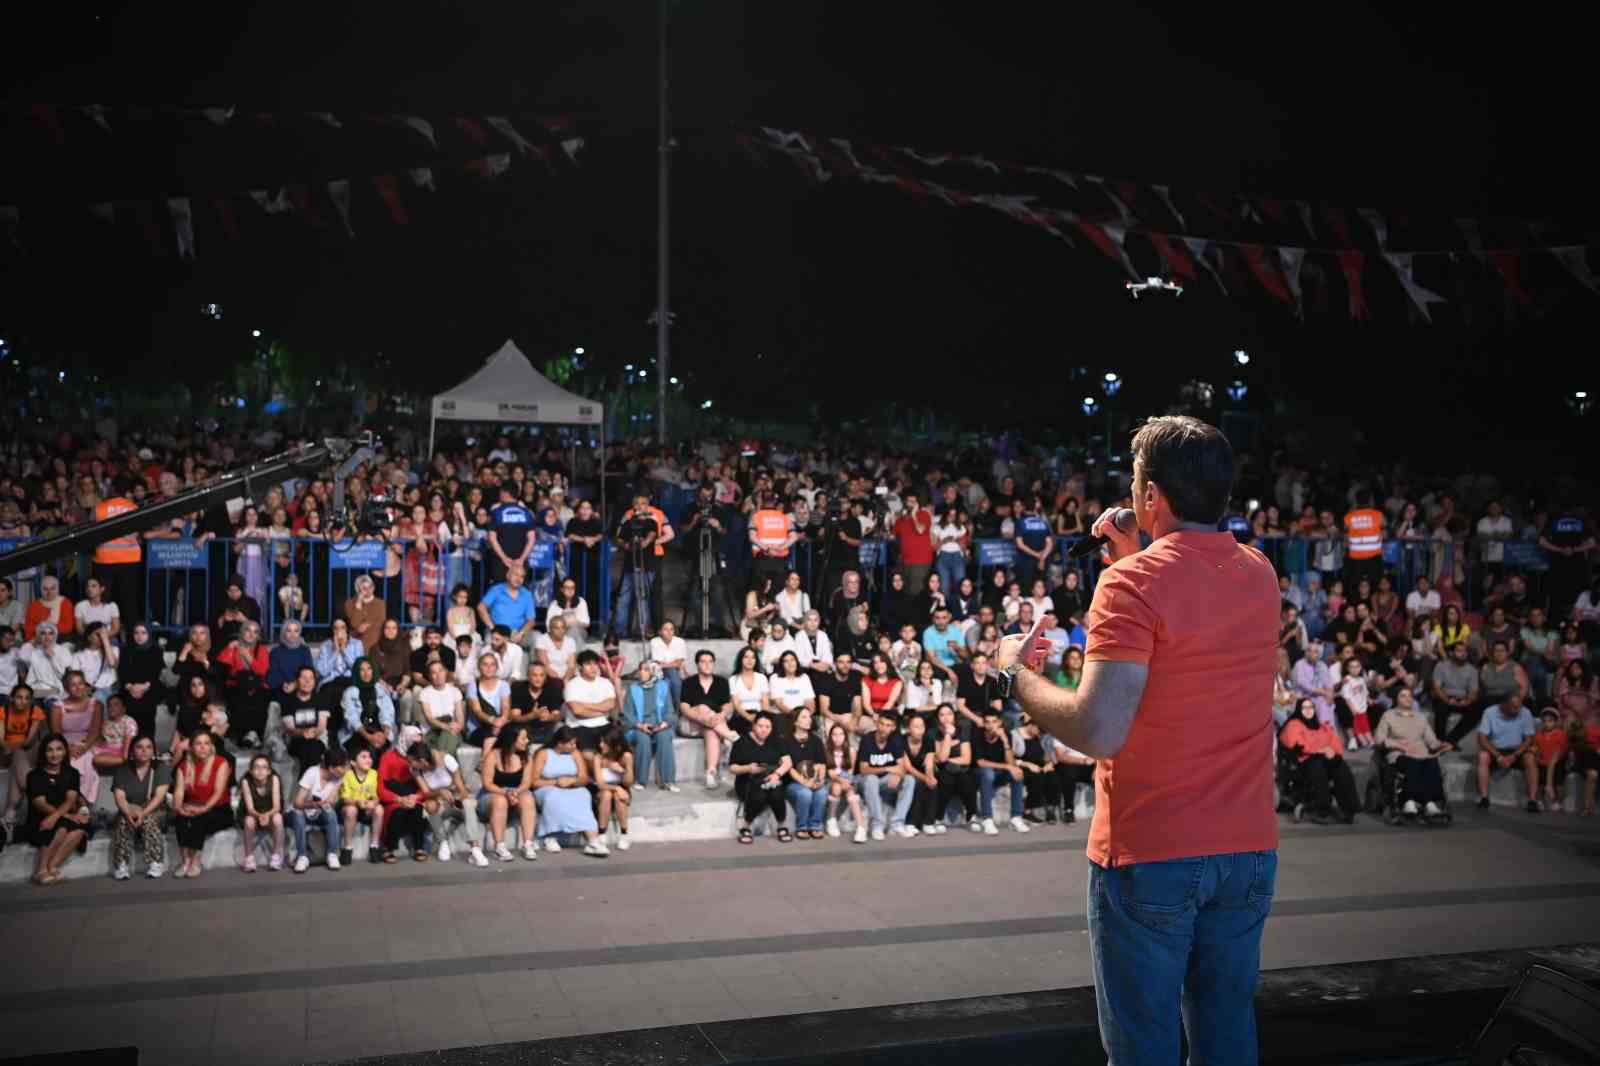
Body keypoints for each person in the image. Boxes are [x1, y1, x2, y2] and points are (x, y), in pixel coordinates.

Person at [997, 416, 1279, 1066]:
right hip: (1246, 852)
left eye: (1136, 482)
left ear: (1151, 496)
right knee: (1227, 1035)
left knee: (1142, 1049)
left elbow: (1098, 729)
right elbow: (1187, 610)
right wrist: (1141, 551)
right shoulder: (1259, 572)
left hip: (1152, 852)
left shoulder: (1129, 584)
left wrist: (1018, 675)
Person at [1372, 687, 1452, 819]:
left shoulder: (1420, 717)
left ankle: (1430, 802)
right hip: (1400, 754)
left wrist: (1440, 745)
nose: (1407, 698)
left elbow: (1431, 740)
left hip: (1422, 754)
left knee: (1432, 762)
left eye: (1409, 695)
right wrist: (1397, 744)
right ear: (1396, 699)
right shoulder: (1389, 716)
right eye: (1403, 695)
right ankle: (1409, 801)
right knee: (1412, 763)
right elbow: (1379, 739)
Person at [23, 734, 92, 885]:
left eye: (59, 749)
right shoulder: (34, 775)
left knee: (79, 829)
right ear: (44, 753)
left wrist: (61, 816)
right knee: (59, 827)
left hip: (60, 815)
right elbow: (39, 803)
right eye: (50, 750)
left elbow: (70, 799)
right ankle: (40, 871)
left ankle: (52, 867)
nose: (55, 754)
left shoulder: (71, 773)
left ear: (65, 752)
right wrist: (60, 816)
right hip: (40, 817)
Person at [1280, 699, 1361, 823]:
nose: (1308, 710)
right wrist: (1319, 750)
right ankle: (1322, 808)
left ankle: (1349, 807)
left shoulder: (1322, 725)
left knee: (1340, 765)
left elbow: (1335, 743)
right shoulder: (1293, 724)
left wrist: (1333, 752)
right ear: (1299, 710)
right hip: (1305, 760)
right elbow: (1295, 744)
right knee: (1317, 765)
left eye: (1311, 707)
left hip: (1325, 758)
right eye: (1304, 708)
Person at [531, 726, 607, 856]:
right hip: (547, 787)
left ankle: (592, 840)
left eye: (575, 743)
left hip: (571, 787)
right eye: (571, 743)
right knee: (553, 796)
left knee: (583, 794)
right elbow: (534, 781)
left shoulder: (575, 754)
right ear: (560, 743)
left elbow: (584, 778)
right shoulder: (544, 754)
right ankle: (551, 835)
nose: (574, 746)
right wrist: (555, 782)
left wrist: (571, 781)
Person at [415, 741, 489, 866]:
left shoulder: (447, 759)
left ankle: (475, 849)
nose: (410, 763)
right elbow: (426, 793)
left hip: (455, 799)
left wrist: (458, 802)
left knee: (467, 803)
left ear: (422, 761)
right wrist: (440, 792)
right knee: (429, 805)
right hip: (438, 802)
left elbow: (462, 789)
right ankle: (442, 841)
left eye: (412, 760)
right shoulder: (416, 770)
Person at [172, 730, 233, 878]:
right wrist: (178, 807)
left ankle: (196, 861)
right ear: (191, 747)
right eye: (198, 744)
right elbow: (179, 792)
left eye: (207, 743)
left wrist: (203, 809)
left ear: (212, 746)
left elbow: (218, 792)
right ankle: (185, 860)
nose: (203, 747)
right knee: (181, 818)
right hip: (193, 805)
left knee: (198, 819)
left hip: (219, 809)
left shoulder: (221, 763)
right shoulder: (184, 766)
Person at [110, 734, 171, 879]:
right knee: (124, 820)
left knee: (148, 819)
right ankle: (121, 865)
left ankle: (156, 862)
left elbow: (159, 797)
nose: (144, 751)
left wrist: (142, 813)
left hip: (155, 810)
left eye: (149, 747)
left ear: (154, 752)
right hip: (130, 809)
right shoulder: (123, 770)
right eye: (139, 747)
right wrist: (128, 812)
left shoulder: (160, 769)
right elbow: (119, 797)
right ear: (132, 751)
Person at [680, 650, 740, 787]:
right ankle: (729, 736)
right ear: (697, 664)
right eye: (703, 661)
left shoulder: (721, 682)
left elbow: (728, 705)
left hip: (714, 725)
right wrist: (701, 718)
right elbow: (684, 708)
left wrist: (721, 715)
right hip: (691, 724)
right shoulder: (688, 682)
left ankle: (711, 773)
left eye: (710, 662)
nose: (707, 665)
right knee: (702, 707)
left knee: (711, 731)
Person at [730, 712, 792, 844]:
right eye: (760, 726)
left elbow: (788, 762)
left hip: (771, 778)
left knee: (776, 790)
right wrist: (747, 768)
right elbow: (732, 768)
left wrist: (777, 774)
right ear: (754, 726)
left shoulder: (777, 740)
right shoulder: (741, 742)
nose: (764, 730)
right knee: (760, 792)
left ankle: (781, 825)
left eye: (768, 727)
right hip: (747, 781)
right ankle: (746, 825)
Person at [856, 710, 917, 840]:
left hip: (884, 781)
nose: (884, 728)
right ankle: (877, 826)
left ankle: (897, 823)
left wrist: (899, 775)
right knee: (871, 779)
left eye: (888, 725)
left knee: (909, 780)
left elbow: (902, 766)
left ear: (893, 728)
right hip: (864, 782)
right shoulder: (867, 739)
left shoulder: (895, 740)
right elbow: (863, 770)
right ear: (877, 724)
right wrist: (888, 769)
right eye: (882, 724)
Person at [1475, 692, 1539, 813]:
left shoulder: (1525, 712)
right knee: (1482, 756)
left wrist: (1514, 756)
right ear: (1503, 705)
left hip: (1517, 750)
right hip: (1496, 750)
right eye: (1514, 707)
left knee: (1530, 758)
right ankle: (1484, 798)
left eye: (1519, 706)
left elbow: (1529, 739)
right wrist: (1498, 756)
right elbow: (1482, 738)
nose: (1518, 710)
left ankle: (1532, 800)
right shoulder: (1490, 712)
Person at [289, 746, 348, 872]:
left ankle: (332, 854)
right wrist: (313, 804)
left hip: (321, 814)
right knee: (298, 814)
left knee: (330, 812)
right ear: (332, 768)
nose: (345, 770)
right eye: (342, 767)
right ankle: (302, 856)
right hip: (305, 812)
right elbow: (297, 803)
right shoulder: (312, 773)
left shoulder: (339, 778)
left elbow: (332, 799)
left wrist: (329, 803)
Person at [971, 709, 1029, 835]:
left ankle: (1015, 817)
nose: (991, 725)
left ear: (1000, 723)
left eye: (994, 722)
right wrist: (1007, 767)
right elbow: (981, 762)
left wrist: (1005, 741)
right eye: (987, 722)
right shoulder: (977, 735)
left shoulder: (1006, 735)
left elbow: (1011, 763)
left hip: (999, 771)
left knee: (1017, 773)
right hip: (980, 773)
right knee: (988, 773)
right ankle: (987, 819)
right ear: (983, 723)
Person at [623, 660, 678, 791]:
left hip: (659, 725)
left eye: (646, 669)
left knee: (664, 737)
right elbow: (627, 714)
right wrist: (640, 725)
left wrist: (664, 723)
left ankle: (668, 781)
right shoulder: (632, 688)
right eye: (641, 669)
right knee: (643, 739)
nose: (642, 672)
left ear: (654, 672)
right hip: (638, 726)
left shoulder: (663, 687)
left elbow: (670, 711)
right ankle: (641, 781)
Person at [378, 741, 433, 862]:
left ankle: (419, 847)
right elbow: (381, 789)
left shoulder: (421, 764)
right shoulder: (387, 757)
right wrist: (399, 799)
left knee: (417, 810)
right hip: (394, 796)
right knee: (397, 811)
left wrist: (415, 797)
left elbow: (425, 789)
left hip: (412, 796)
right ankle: (388, 848)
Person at [3, 682, 46, 827]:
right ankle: (36, 794)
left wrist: (13, 746)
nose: (23, 701)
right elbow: (1, 739)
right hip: (6, 752)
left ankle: (11, 810)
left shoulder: (36, 711)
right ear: (11, 698)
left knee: (20, 753)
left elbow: (30, 740)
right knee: (16, 754)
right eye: (19, 697)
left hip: (29, 750)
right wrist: (8, 747)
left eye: (27, 698)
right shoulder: (3, 711)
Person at [784, 706, 829, 838]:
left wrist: (819, 781)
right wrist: (804, 782)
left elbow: (821, 764)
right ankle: (802, 827)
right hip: (793, 783)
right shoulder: (786, 741)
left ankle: (815, 826)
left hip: (813, 779)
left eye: (809, 717)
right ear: (795, 722)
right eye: (804, 717)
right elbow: (789, 768)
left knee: (822, 792)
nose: (809, 720)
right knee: (805, 793)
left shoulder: (816, 740)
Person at [337, 745, 385, 865]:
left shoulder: (374, 773)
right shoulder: (347, 775)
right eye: (363, 757)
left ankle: (374, 847)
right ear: (353, 762)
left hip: (366, 807)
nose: (368, 759)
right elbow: (345, 799)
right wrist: (358, 803)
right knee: (351, 810)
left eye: (369, 757)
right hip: (350, 807)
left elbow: (375, 795)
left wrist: (374, 802)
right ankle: (347, 848)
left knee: (379, 809)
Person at [822, 721, 869, 842]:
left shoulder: (851, 751)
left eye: (841, 734)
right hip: (829, 781)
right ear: (830, 736)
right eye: (834, 735)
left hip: (846, 779)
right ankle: (831, 819)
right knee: (837, 787)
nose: (838, 738)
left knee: (850, 791)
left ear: (845, 736)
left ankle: (861, 827)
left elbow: (850, 772)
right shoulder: (826, 751)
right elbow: (831, 773)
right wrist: (841, 780)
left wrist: (845, 781)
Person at [238, 754, 286, 871]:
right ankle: (249, 858)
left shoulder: (274, 779)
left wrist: (266, 815)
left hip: (271, 812)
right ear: (251, 770)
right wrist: (259, 816)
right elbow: (250, 808)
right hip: (253, 814)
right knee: (249, 821)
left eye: (264, 767)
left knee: (278, 818)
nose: (260, 771)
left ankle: (276, 856)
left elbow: (277, 806)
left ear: (269, 771)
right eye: (257, 767)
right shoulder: (246, 781)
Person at [563, 649, 617, 753]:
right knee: (590, 755)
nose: (593, 668)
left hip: (604, 725)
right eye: (588, 664)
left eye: (595, 664)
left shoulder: (605, 683)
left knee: (623, 752)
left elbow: (611, 705)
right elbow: (578, 712)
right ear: (580, 667)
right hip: (580, 726)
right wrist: (602, 710)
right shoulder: (572, 685)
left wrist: (585, 705)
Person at [340, 657, 396, 756]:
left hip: (380, 731)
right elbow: (352, 719)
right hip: (358, 733)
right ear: (356, 672)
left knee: (381, 749)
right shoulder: (349, 692)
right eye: (362, 670)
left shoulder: (380, 689)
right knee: (369, 751)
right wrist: (369, 737)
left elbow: (388, 712)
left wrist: (385, 734)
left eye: (369, 669)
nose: (366, 673)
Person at [591, 726, 635, 851]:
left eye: (604, 743)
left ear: (615, 745)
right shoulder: (598, 757)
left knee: (618, 797)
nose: (601, 745)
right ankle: (602, 833)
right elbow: (600, 783)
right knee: (606, 794)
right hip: (602, 789)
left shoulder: (626, 756)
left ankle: (624, 834)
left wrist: (624, 770)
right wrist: (616, 788)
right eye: (601, 741)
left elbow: (628, 782)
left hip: (622, 789)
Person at [899, 712, 942, 834]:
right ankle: (911, 823)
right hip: (905, 771)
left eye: (922, 726)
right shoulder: (901, 741)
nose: (920, 730)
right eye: (916, 726)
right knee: (916, 783)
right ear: (909, 728)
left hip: (922, 770)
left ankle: (929, 822)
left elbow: (929, 764)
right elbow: (907, 767)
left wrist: (930, 777)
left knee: (933, 783)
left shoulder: (928, 740)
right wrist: (925, 778)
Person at [1533, 708, 1570, 812]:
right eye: (1544, 721)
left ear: (1556, 722)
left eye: (1550, 721)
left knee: (1558, 785)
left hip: (1557, 764)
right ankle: (1539, 800)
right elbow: (1536, 747)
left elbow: (1558, 754)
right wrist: (1536, 754)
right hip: (1543, 763)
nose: (1547, 724)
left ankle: (1557, 801)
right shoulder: (1539, 734)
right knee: (1540, 784)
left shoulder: (1560, 734)